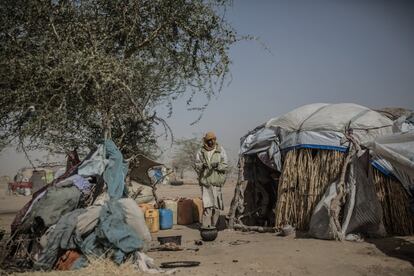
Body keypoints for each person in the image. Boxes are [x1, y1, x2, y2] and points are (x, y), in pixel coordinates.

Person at [194, 132, 228, 228]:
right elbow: (197, 165)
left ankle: (215, 227)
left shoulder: (220, 150)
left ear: (215, 139)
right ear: (206, 141)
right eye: (209, 140)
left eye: (213, 139)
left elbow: (225, 165)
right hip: (206, 183)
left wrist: (217, 165)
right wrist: (202, 166)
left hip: (217, 182)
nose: (211, 142)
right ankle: (206, 227)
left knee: (216, 206)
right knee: (207, 206)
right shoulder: (201, 151)